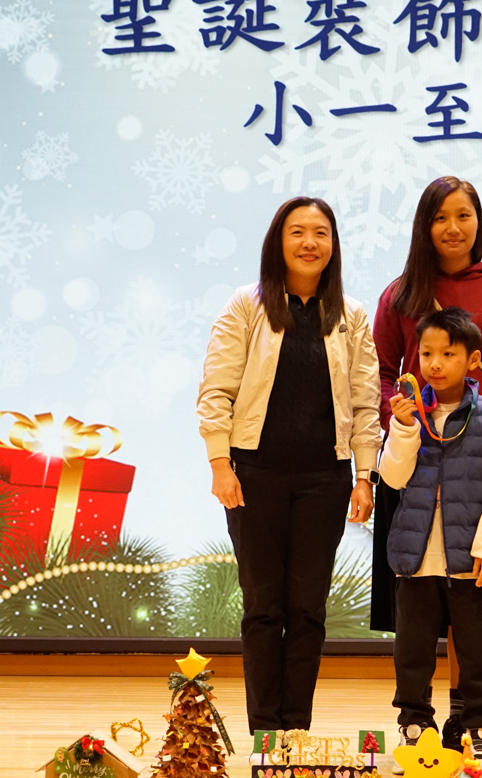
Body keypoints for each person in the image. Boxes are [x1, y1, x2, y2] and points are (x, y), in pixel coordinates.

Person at [196, 197, 381, 747]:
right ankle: (265, 734)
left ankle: (295, 731)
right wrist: (220, 464)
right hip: (254, 476)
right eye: (297, 231)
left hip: (326, 480)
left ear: (333, 245)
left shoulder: (351, 315)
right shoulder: (246, 305)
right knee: (262, 608)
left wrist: (365, 476)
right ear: (278, 241)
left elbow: (366, 403)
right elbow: (216, 391)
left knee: (307, 610)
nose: (309, 243)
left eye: (321, 232)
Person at [370, 175, 482, 748]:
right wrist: (404, 422)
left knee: (474, 614)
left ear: (478, 222)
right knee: (415, 621)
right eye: (440, 217)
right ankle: (414, 718)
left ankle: (472, 718)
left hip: (478, 471)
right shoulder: (400, 295)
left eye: (464, 215)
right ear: (424, 225)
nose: (453, 227)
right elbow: (381, 372)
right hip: (413, 464)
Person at [379, 307, 482, 776]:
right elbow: (393, 478)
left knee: (477, 650)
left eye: (448, 354)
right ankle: (415, 725)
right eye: (426, 354)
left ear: (472, 360)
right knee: (412, 650)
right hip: (416, 556)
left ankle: (479, 728)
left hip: (470, 557)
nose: (434, 364)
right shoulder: (410, 414)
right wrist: (403, 429)